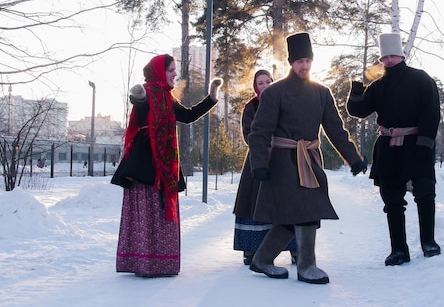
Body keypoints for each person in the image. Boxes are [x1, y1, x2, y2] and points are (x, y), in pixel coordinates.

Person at [247, 32, 367, 284]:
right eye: (299, 61)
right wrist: (259, 164)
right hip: (283, 161)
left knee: (296, 214)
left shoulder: (321, 93)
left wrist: (353, 158)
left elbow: (335, 128)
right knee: (303, 212)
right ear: (292, 62)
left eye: (308, 60)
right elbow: (260, 131)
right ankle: (306, 266)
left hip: (309, 161)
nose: (304, 65)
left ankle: (262, 259)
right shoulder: (275, 92)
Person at [111, 54, 222, 277]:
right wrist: (137, 95)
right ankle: (144, 263)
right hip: (145, 163)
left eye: (175, 70)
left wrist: (211, 96)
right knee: (148, 211)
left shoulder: (167, 98)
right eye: (171, 70)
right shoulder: (150, 93)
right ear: (160, 72)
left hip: (166, 163)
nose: (174, 74)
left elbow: (189, 116)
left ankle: (162, 263)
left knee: (161, 212)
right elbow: (140, 103)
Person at [347, 32, 441, 266]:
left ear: (401, 55)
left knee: (425, 192)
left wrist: (425, 143)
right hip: (388, 146)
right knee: (392, 199)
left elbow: (431, 112)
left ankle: (429, 242)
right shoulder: (379, 86)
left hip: (416, 143)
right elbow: (358, 112)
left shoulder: (421, 79)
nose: (389, 60)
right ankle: (399, 249)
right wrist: (356, 93)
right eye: (385, 57)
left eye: (392, 56)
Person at [232, 69, 297, 266]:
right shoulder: (250, 108)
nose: (265, 86)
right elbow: (248, 134)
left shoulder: (284, 103)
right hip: (258, 160)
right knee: (254, 202)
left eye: (268, 81)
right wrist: (264, 146)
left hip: (282, 159)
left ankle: (295, 247)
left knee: (288, 204)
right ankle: (251, 249)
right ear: (255, 87)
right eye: (261, 83)